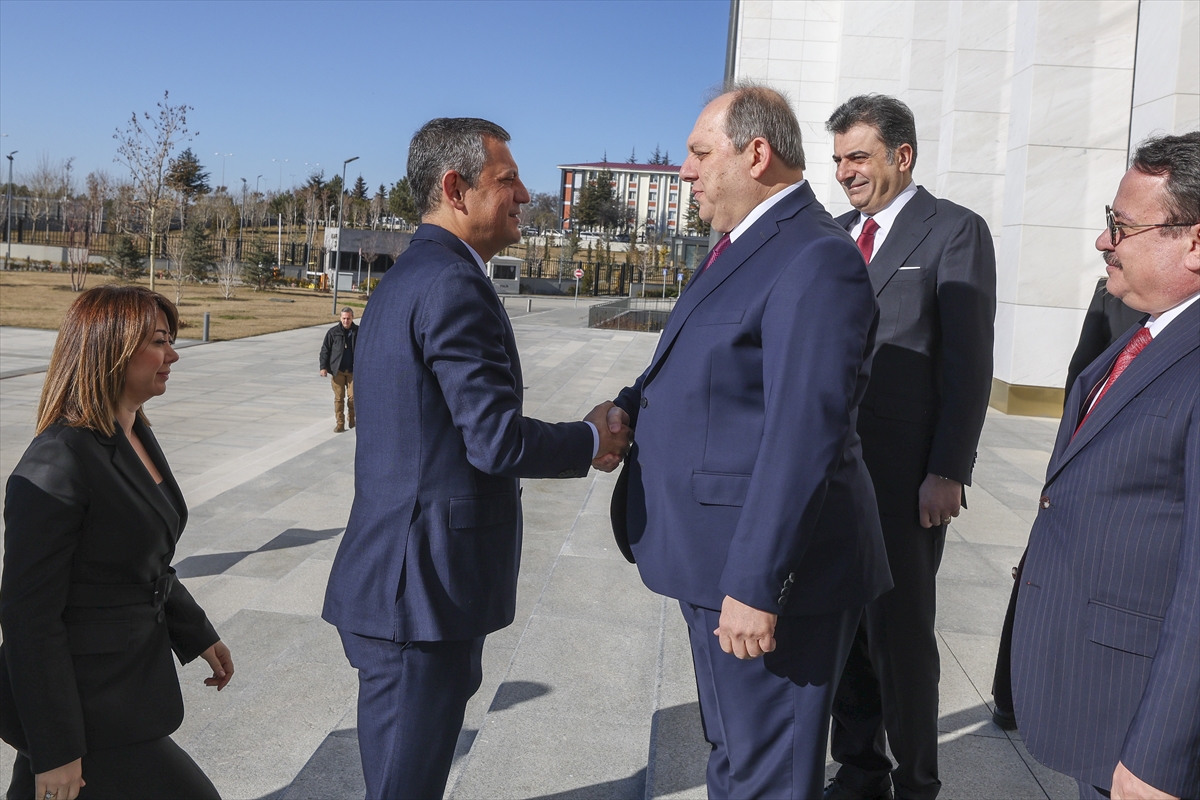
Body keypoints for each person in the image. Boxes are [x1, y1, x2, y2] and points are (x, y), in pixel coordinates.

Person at [321, 117, 631, 800]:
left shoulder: (412, 275)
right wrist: (588, 440)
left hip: (405, 583)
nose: (524, 192)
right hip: (421, 594)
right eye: (507, 179)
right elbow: (492, 440)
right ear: (455, 187)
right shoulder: (451, 285)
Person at [605, 83, 891, 799]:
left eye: (701, 153)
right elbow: (708, 361)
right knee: (735, 756)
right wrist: (627, 406)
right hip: (714, 561)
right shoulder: (745, 244)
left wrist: (758, 583)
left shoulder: (813, 259)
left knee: (765, 777)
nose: (685, 171)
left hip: (766, 581)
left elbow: (805, 434)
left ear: (756, 153)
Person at [1012, 131, 1200, 800]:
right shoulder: (1148, 331)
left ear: (1196, 242)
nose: (1103, 242)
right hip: (1105, 700)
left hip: (1150, 739)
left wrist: (1159, 758)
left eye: (1121, 226)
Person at [821, 95, 996, 800]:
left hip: (902, 479)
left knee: (900, 638)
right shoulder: (831, 234)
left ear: (903, 155)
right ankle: (860, 768)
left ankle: (916, 782)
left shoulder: (954, 231)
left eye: (857, 157)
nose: (844, 173)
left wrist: (948, 470)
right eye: (837, 160)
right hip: (829, 473)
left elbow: (968, 362)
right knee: (843, 630)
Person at [1, 285, 234, 800]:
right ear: (110, 349)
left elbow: (140, 557)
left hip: (124, 690)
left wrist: (193, 631)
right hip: (84, 708)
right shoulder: (56, 463)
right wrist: (56, 748)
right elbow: (27, 617)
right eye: (158, 341)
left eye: (171, 340)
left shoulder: (132, 432)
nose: (173, 355)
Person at [989, 276, 1144, 732]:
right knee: (1043, 568)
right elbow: (1083, 378)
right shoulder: (1111, 293)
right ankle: (1010, 695)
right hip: (1096, 450)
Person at [319, 307, 358, 432]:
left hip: (353, 371)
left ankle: (352, 418)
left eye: (348, 318)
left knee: (353, 397)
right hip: (338, 371)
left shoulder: (358, 332)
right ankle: (340, 423)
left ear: (352, 318)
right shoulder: (333, 332)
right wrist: (323, 367)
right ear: (340, 318)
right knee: (339, 398)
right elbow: (325, 350)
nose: (346, 321)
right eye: (344, 318)